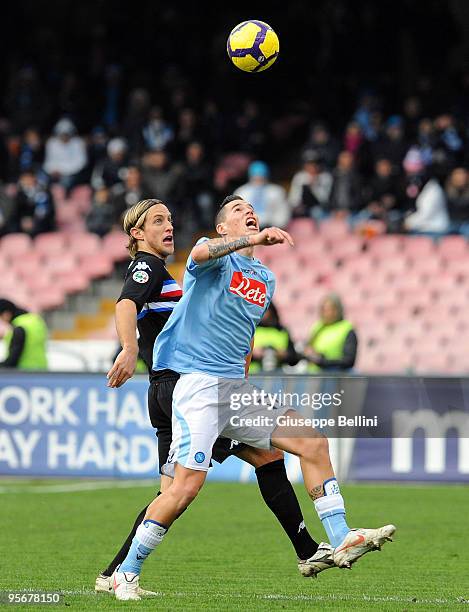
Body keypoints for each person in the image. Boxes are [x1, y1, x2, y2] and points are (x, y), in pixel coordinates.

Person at [112, 195, 395, 601]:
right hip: (199, 390)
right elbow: (202, 250)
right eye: (238, 211)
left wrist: (244, 366)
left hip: (236, 389)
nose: (249, 213)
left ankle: (341, 536)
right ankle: (127, 571)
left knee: (312, 442)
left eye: (254, 212)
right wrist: (257, 238)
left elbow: (243, 332)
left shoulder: (264, 278)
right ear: (223, 227)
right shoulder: (210, 259)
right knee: (183, 490)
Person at [304, 294, 357, 372]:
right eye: (323, 309)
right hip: (314, 376)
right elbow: (308, 347)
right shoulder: (318, 326)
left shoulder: (347, 328)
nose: (324, 313)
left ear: (337, 310)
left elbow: (348, 360)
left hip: (334, 376)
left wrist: (323, 361)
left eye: (328, 309)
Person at [235, 161, 290, 228]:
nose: (258, 179)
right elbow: (236, 214)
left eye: (261, 177)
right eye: (255, 177)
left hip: (271, 227)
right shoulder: (242, 192)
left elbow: (282, 212)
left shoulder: (276, 191)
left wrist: (276, 226)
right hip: (247, 228)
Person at [250, 302, 300, 373]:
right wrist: (252, 354)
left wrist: (283, 355)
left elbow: (293, 359)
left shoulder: (282, 331)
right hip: (254, 376)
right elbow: (238, 355)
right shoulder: (250, 330)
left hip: (276, 376)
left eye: (265, 309)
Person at [0, 299, 48, 369]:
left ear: (6, 314)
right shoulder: (35, 320)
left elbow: (13, 359)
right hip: (41, 370)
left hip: (24, 373)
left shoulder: (20, 327)